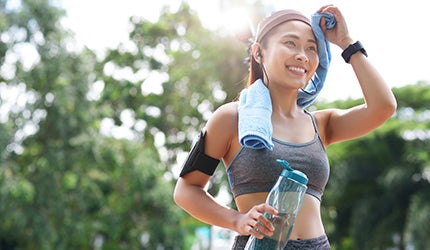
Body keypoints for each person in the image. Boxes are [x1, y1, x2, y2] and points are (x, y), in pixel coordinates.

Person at [174, 4, 397, 250]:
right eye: (290, 43)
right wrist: (237, 220)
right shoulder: (231, 118)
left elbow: (383, 106)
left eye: (311, 48)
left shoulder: (322, 124)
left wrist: (346, 43)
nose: (302, 55)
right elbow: (186, 190)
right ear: (258, 53)